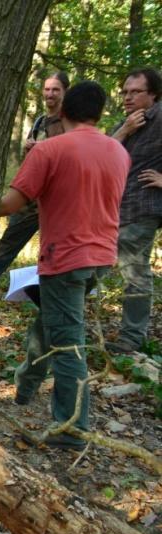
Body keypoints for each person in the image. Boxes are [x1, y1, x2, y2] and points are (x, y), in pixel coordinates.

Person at [0, 81, 130, 449]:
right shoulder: (118, 151)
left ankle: (71, 430)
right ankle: (26, 387)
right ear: (99, 113)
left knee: (69, 345)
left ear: (63, 110)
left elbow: (9, 205)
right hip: (101, 257)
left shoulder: (50, 150)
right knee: (50, 323)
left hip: (65, 259)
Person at [0, 72, 70, 289]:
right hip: (31, 195)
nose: (50, 94)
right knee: (10, 240)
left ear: (65, 91)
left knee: (56, 247)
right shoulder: (40, 120)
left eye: (55, 89)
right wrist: (29, 150)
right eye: (47, 89)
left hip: (57, 197)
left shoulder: (69, 121)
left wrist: (44, 150)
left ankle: (56, 288)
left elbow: (71, 157)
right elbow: (32, 160)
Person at [108, 67, 161, 353]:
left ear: (153, 94)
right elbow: (102, 153)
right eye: (125, 92)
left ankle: (131, 340)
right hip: (114, 208)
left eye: (136, 92)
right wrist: (125, 129)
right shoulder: (127, 122)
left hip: (142, 207)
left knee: (134, 271)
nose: (128, 97)